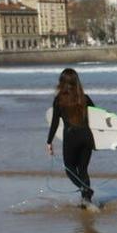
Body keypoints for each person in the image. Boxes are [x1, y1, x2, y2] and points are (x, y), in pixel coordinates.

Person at [46, 67, 98, 207]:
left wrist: (49, 141)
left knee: (69, 169)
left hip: (71, 138)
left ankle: (85, 190)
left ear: (61, 82)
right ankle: (86, 201)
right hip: (87, 138)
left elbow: (55, 122)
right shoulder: (84, 98)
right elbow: (98, 116)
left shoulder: (59, 100)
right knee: (83, 170)